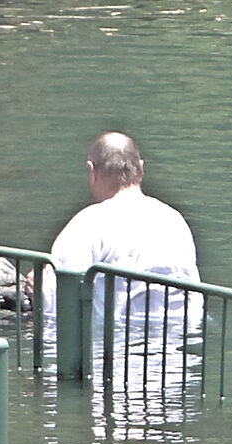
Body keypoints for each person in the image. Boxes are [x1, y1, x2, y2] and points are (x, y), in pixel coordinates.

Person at [48, 132, 198, 344]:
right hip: (171, 359)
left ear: (92, 172)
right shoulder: (175, 221)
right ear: (141, 169)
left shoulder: (88, 223)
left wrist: (38, 288)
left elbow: (62, 297)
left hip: (113, 361)